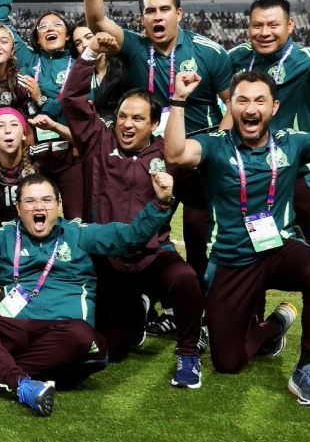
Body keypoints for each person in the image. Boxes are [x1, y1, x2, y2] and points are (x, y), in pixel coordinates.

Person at [163, 69, 310, 408]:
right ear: (230, 106)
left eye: (260, 100)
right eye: (242, 100)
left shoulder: (292, 142)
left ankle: (306, 366)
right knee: (227, 363)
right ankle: (276, 323)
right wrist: (178, 100)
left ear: (274, 107)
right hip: (232, 259)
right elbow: (175, 154)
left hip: (278, 248)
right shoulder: (214, 145)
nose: (250, 108)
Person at [0, 172, 176, 417]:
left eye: (46, 200)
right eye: (29, 201)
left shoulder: (80, 234)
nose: (38, 207)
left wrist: (160, 202)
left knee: (83, 335)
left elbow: (131, 237)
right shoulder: (5, 235)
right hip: (18, 332)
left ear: (59, 205)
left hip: (66, 341)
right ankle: (21, 384)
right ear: (18, 209)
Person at [61, 31, 203, 388]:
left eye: (138, 119)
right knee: (116, 350)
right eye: (123, 116)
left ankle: (188, 353)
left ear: (154, 125)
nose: (127, 124)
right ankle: (137, 309)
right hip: (108, 259)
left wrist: (181, 100)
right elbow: (71, 97)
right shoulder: (98, 139)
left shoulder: (167, 154)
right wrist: (91, 51)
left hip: (152, 254)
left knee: (185, 280)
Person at [83, 0, 233, 282]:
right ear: (142, 18)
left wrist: (212, 150)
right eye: (150, 11)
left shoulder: (209, 52)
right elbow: (97, 22)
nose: (157, 16)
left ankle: (194, 307)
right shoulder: (136, 47)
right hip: (152, 160)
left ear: (179, 13)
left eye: (164, 9)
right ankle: (147, 304)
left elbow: (232, 106)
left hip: (195, 161)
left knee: (196, 236)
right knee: (143, 232)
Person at [228, 0, 310, 250]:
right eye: (257, 25)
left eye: (273, 25)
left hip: (300, 172)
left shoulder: (305, 59)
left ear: (290, 25)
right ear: (248, 27)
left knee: (307, 250)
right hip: (251, 170)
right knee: (256, 249)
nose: (264, 32)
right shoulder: (237, 58)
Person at [0, 0, 73, 124]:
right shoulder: (28, 59)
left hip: (67, 136)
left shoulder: (77, 66)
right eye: (43, 26)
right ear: (38, 38)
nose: (50, 28)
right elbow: (0, 25)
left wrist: (41, 99)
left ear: (68, 35)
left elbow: (79, 109)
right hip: (30, 137)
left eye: (57, 24)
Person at [68, 22, 130, 122]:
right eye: (78, 43)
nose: (85, 45)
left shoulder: (124, 66)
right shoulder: (79, 74)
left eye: (89, 37)